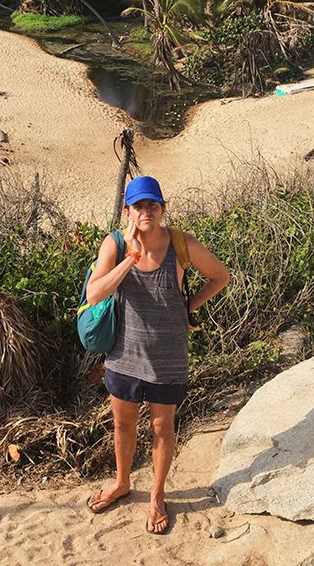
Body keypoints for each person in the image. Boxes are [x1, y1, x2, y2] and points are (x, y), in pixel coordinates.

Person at [85, 176, 230, 534]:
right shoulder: (115, 244)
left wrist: (188, 309)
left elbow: (220, 276)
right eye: (139, 206)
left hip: (168, 355)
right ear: (128, 212)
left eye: (153, 205)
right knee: (123, 424)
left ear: (163, 209)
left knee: (163, 427)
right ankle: (122, 482)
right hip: (123, 353)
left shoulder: (181, 243)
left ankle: (156, 494)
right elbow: (94, 294)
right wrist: (130, 258)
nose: (146, 212)